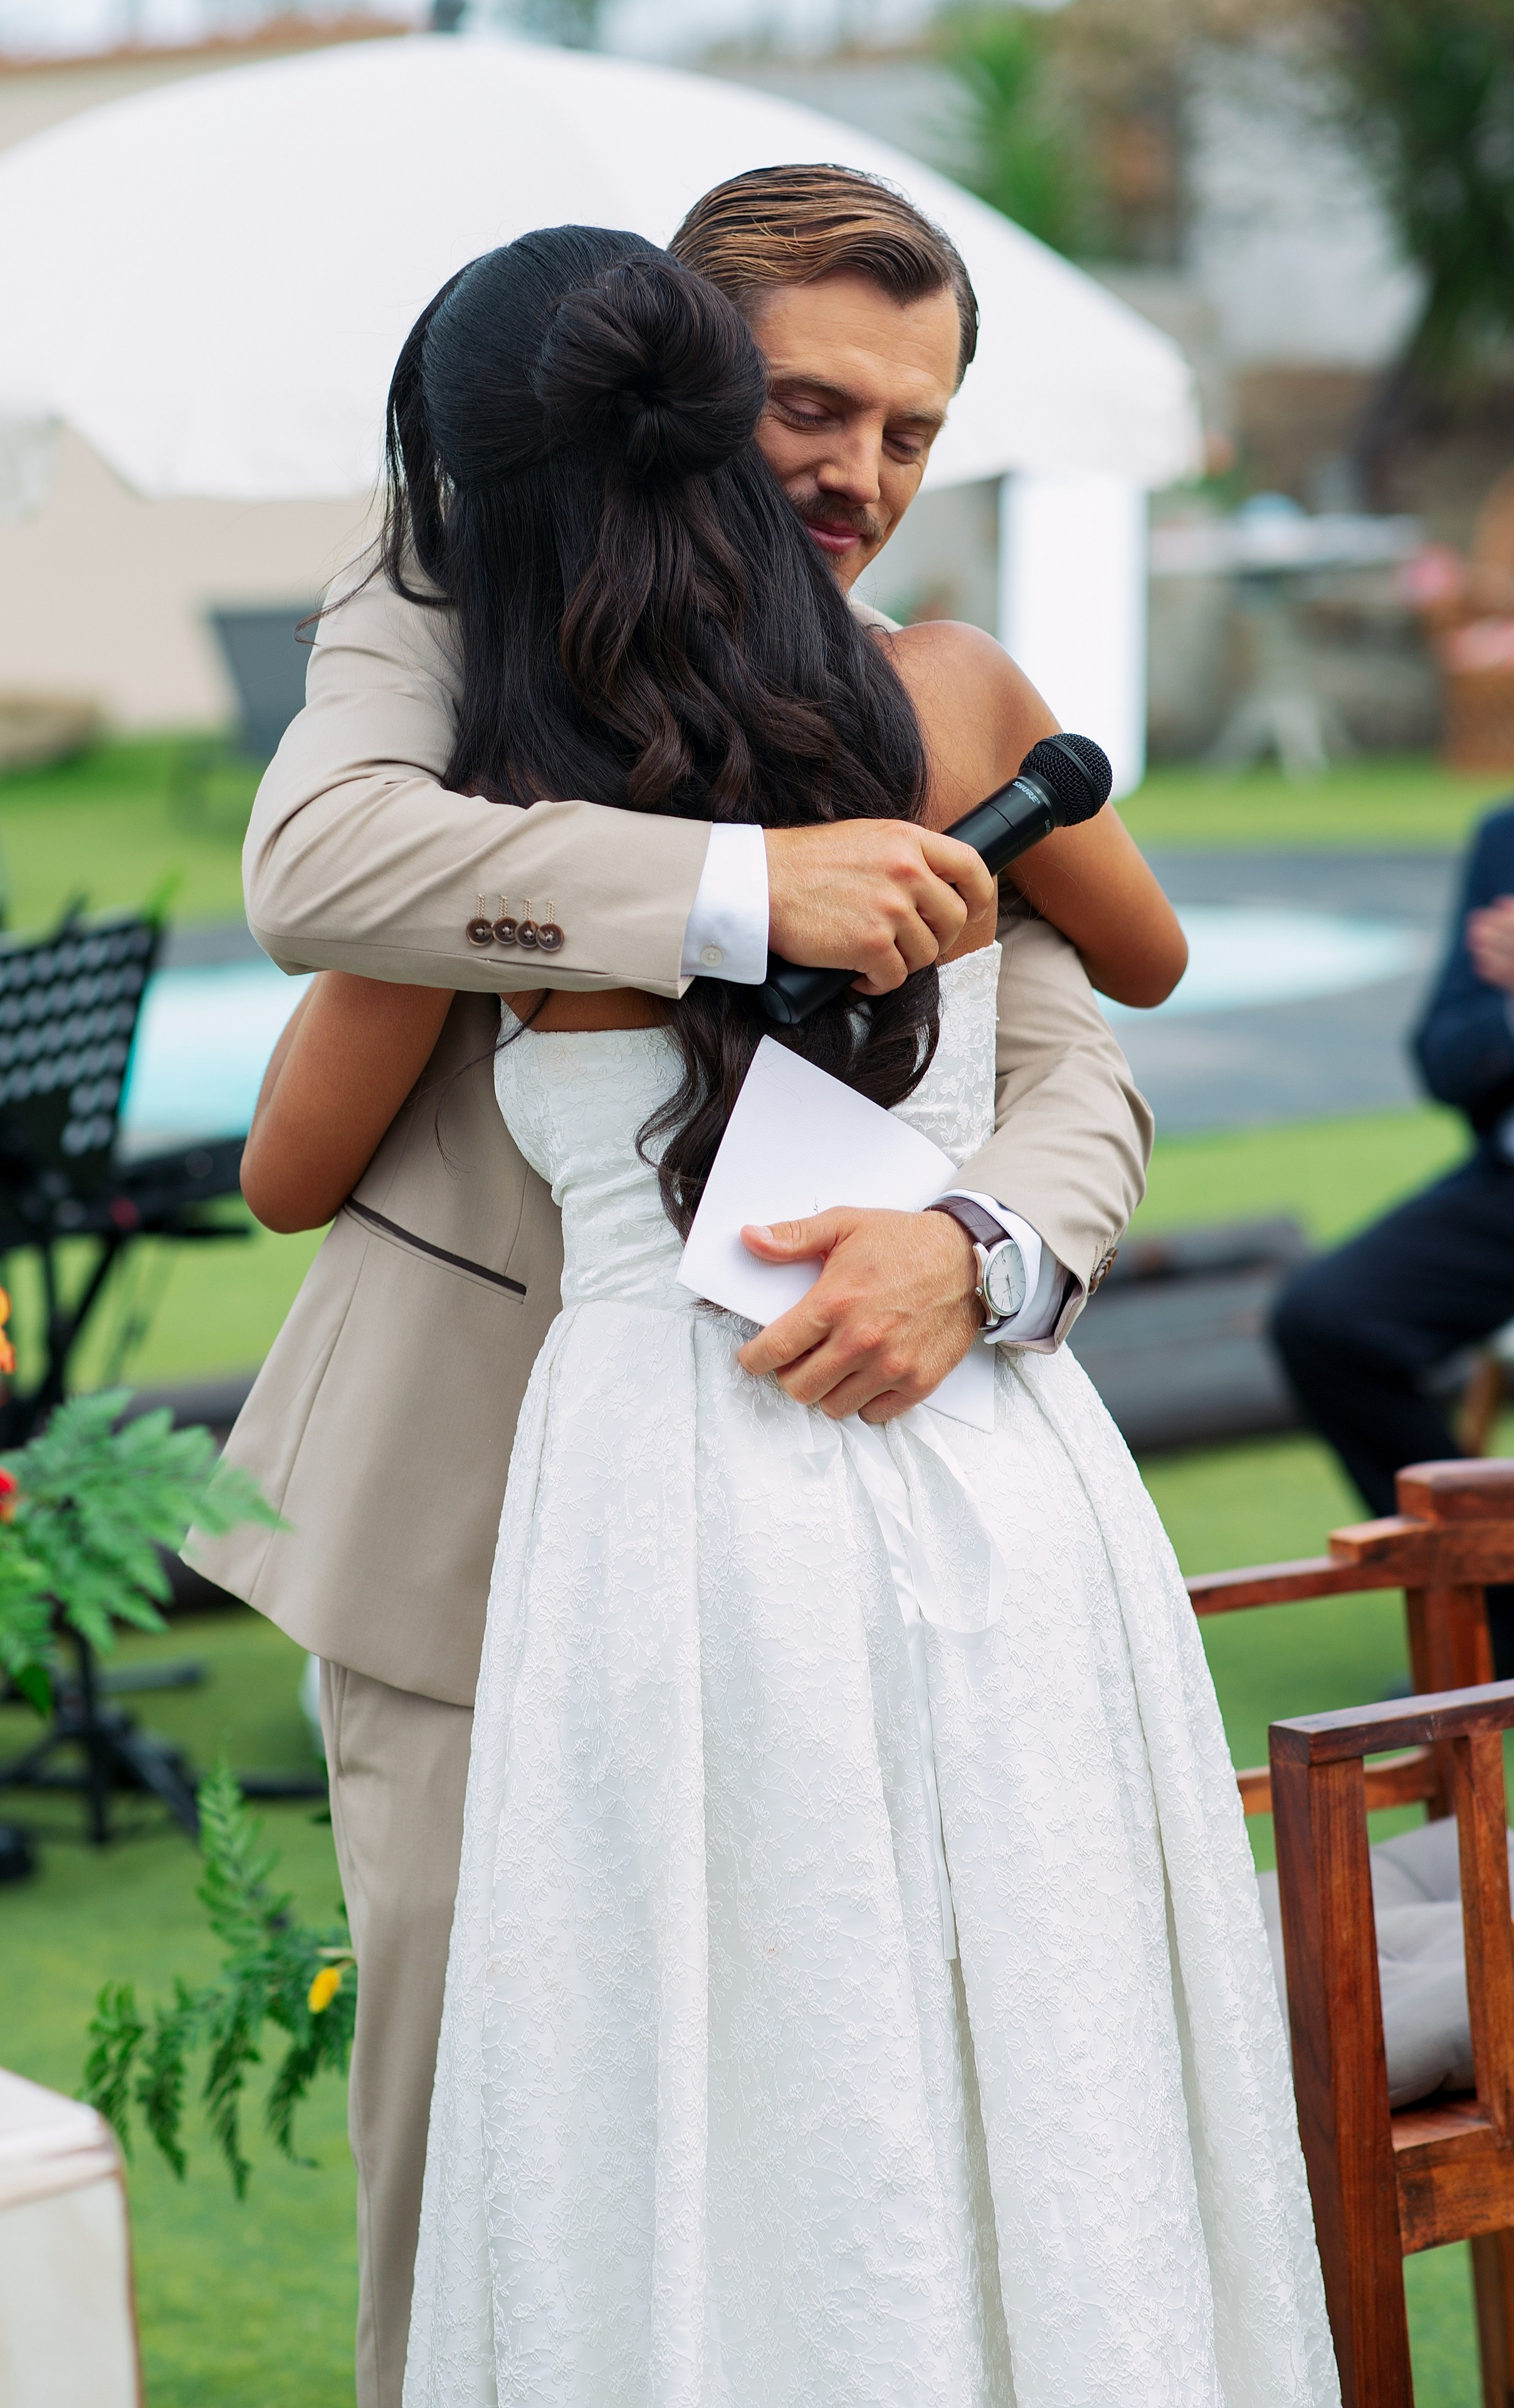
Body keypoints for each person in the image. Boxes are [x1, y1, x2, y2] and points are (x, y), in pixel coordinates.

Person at [242, 228, 1336, 2407]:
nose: (856, 473)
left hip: (829, 1447)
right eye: (810, 409)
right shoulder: (461, 613)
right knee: (511, 2146)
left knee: (952, 2065)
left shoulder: (910, 682)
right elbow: (319, 865)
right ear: (670, 366)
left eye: (913, 432)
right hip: (487, 1521)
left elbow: (1072, 1055)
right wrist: (745, 892)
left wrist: (987, 1250)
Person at [1273, 800, 1514, 1669]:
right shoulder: (1505, 837)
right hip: (1505, 1182)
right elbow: (1445, 1056)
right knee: (1326, 1320)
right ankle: (1494, 1604)